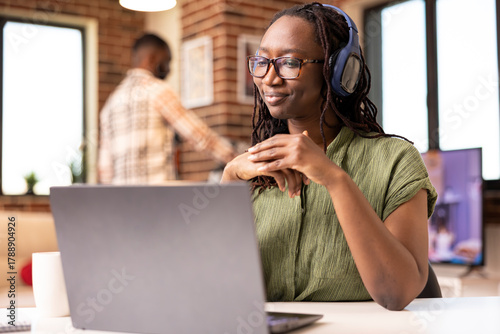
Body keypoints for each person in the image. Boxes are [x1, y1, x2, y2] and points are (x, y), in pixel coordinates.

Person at [221, 3, 438, 311]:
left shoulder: (395, 160)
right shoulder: (250, 170)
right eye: (262, 61)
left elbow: (397, 292)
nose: (269, 78)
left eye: (288, 62)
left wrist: (334, 178)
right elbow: (215, 288)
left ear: (339, 71)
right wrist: (229, 181)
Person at [98, 33, 235, 184]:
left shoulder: (111, 103)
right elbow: (199, 136)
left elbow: (105, 168)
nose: (169, 69)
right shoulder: (158, 90)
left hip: (122, 200)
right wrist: (236, 159)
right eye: (166, 62)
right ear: (151, 59)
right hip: (158, 198)